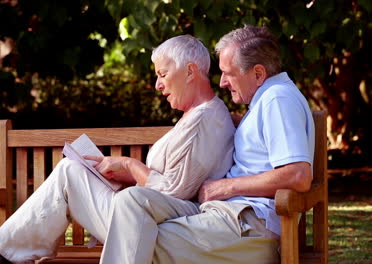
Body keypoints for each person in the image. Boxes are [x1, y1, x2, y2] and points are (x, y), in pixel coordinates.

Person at [0, 35, 236, 264]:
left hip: (163, 225)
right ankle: (1, 251)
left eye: (162, 74)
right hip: (147, 215)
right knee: (72, 168)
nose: (157, 85)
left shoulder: (206, 119)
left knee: (70, 172)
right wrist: (121, 175)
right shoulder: (195, 115)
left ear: (190, 71)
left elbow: (175, 192)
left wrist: (129, 165)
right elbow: (170, 181)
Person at [99, 25, 315, 264]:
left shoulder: (277, 99)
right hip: (229, 221)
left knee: (135, 236)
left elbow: (298, 175)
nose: (222, 82)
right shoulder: (269, 100)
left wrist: (226, 187)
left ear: (258, 74)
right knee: (132, 207)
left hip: (248, 227)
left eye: (228, 73)